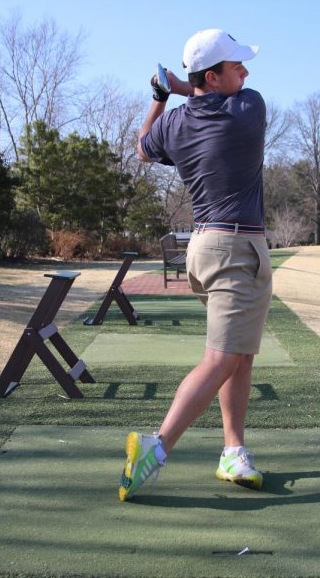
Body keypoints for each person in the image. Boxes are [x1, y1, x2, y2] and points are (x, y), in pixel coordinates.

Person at [119, 29, 271, 502]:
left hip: (205, 250)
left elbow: (143, 146)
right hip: (235, 251)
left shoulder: (175, 123)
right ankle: (156, 448)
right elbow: (214, 97)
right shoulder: (249, 109)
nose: (245, 73)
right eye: (236, 67)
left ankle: (233, 450)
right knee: (222, 358)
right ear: (212, 75)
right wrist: (183, 89)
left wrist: (161, 96)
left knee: (239, 354)